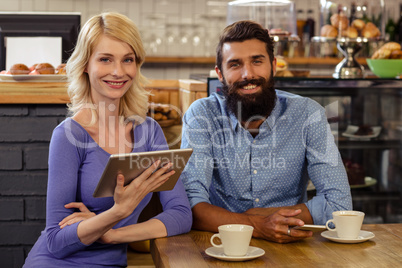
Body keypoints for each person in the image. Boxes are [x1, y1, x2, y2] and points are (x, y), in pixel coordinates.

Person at [23, 12, 192, 267]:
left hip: (109, 261)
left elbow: (180, 215)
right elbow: (56, 242)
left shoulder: (149, 131)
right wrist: (119, 212)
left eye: (128, 60)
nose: (118, 71)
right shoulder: (69, 135)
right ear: (85, 65)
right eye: (105, 59)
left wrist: (112, 234)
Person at [180, 20, 352, 243]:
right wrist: (259, 226)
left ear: (273, 64)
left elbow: (339, 204)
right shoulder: (202, 114)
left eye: (257, 61)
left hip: (292, 246)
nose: (247, 74)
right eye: (235, 64)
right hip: (220, 244)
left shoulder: (309, 114)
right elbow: (191, 204)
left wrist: (244, 219)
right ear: (220, 74)